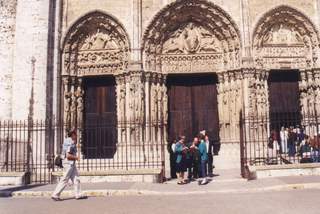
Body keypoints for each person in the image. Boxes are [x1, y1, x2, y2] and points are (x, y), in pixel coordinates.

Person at [52, 130, 86, 201]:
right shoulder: (70, 142)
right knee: (65, 179)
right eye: (76, 135)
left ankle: (78, 194)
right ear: (73, 135)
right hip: (68, 163)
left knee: (76, 178)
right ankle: (55, 194)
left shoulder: (68, 141)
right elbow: (68, 155)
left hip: (71, 163)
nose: (77, 136)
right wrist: (76, 158)